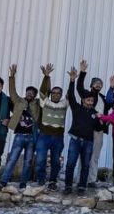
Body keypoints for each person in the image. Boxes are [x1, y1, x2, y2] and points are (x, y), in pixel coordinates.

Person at [0, 64, 42, 188]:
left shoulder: (37, 104)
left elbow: (44, 96)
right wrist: (12, 77)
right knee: (12, 159)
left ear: (34, 95)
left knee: (28, 162)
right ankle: (4, 181)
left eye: (32, 93)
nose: (29, 93)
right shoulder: (18, 101)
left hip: (31, 137)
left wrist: (46, 77)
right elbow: (12, 91)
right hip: (19, 136)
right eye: (28, 92)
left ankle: (23, 183)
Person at [64, 67, 103, 195]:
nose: (90, 102)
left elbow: (98, 128)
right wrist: (72, 81)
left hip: (88, 142)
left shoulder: (94, 113)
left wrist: (101, 120)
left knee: (86, 165)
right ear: (83, 100)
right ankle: (68, 186)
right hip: (75, 140)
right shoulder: (76, 108)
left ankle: (82, 187)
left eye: (92, 100)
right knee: (70, 164)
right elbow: (71, 94)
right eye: (88, 100)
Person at [36, 63, 68, 189]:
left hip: (58, 137)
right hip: (44, 136)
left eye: (58, 93)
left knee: (55, 161)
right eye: (53, 92)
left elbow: (71, 93)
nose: (55, 94)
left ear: (61, 95)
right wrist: (46, 76)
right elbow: (43, 91)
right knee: (40, 160)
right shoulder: (45, 102)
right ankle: (41, 179)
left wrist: (72, 80)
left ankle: (52, 181)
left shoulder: (64, 104)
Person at [76, 60, 108, 188]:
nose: (98, 85)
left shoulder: (103, 98)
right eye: (96, 83)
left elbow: (111, 105)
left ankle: (91, 179)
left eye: (100, 84)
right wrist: (82, 72)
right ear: (91, 85)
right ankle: (80, 179)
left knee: (94, 156)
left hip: (98, 131)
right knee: (83, 155)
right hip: (86, 129)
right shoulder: (87, 95)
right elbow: (78, 87)